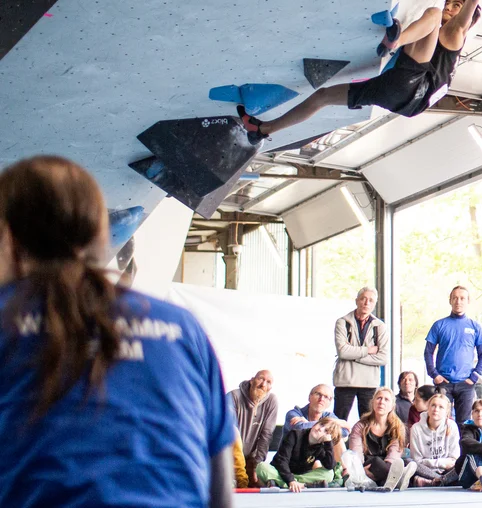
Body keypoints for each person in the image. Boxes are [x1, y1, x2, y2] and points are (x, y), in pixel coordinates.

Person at [0, 156, 236, 508]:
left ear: (9, 237)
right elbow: (219, 487)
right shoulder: (181, 328)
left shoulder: (8, 319)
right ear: (99, 233)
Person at [238, 0, 482, 143]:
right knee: (322, 98)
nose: (450, 7)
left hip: (413, 88)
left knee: (432, 15)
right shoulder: (437, 41)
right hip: (396, 94)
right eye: (450, 3)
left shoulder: (456, 33)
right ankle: (263, 130)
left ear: (466, 19)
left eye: (456, 7)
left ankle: (395, 41)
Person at [425, 285, 482, 423]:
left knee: (464, 424)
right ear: (450, 300)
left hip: (466, 383)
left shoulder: (475, 327)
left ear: (468, 301)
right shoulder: (439, 325)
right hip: (444, 383)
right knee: (440, 422)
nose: (458, 301)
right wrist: (434, 375)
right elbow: (428, 352)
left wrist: (474, 377)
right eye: (455, 298)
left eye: (462, 298)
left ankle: (462, 446)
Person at [342, 387, 416, 491]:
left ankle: (389, 480)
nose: (382, 402)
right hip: (367, 465)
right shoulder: (360, 426)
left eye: (386, 399)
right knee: (377, 461)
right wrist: (360, 470)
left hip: (389, 465)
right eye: (379, 398)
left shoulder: (398, 427)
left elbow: (394, 453)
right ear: (373, 403)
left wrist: (388, 467)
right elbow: (356, 453)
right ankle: (399, 479)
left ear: (392, 406)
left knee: (409, 462)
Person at [333, 287, 389, 421]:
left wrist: (353, 357)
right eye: (363, 299)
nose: (366, 303)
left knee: (369, 424)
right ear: (356, 301)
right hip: (345, 381)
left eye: (370, 300)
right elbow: (342, 351)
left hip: (368, 382)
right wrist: (367, 350)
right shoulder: (343, 322)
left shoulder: (379, 326)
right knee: (337, 423)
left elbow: (383, 358)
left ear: (374, 304)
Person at [257, 418, 345, 492]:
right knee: (261, 467)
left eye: (326, 431)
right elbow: (282, 460)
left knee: (329, 474)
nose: (320, 429)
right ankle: (298, 485)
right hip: (281, 472)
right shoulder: (295, 435)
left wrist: (328, 444)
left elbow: (329, 466)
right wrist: (290, 480)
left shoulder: (321, 447)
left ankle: (288, 484)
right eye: (321, 425)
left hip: (301, 477)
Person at [227, 370, 279, 483]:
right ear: (252, 380)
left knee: (257, 483)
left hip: (252, 458)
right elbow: (232, 436)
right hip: (230, 456)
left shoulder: (272, 401)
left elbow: (266, 435)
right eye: (260, 379)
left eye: (268, 382)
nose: (263, 384)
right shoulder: (233, 396)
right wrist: (241, 476)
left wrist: (257, 466)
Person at [409, 392, 461, 487]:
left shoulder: (452, 426)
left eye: (441, 407)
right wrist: (441, 463)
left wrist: (437, 463)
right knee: (409, 462)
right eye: (433, 405)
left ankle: (431, 482)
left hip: (448, 471)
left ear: (447, 412)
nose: (436, 409)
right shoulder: (416, 428)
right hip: (425, 470)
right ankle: (442, 481)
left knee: (463, 463)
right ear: (428, 408)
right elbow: (417, 460)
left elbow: (454, 458)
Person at [284, 384, 350, 435]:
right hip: (296, 452)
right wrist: (332, 423)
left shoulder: (328, 415)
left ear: (329, 403)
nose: (321, 399)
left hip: (319, 452)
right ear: (309, 397)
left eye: (326, 397)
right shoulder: (294, 413)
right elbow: (300, 428)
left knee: (338, 439)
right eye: (318, 394)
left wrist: (308, 423)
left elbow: (345, 431)